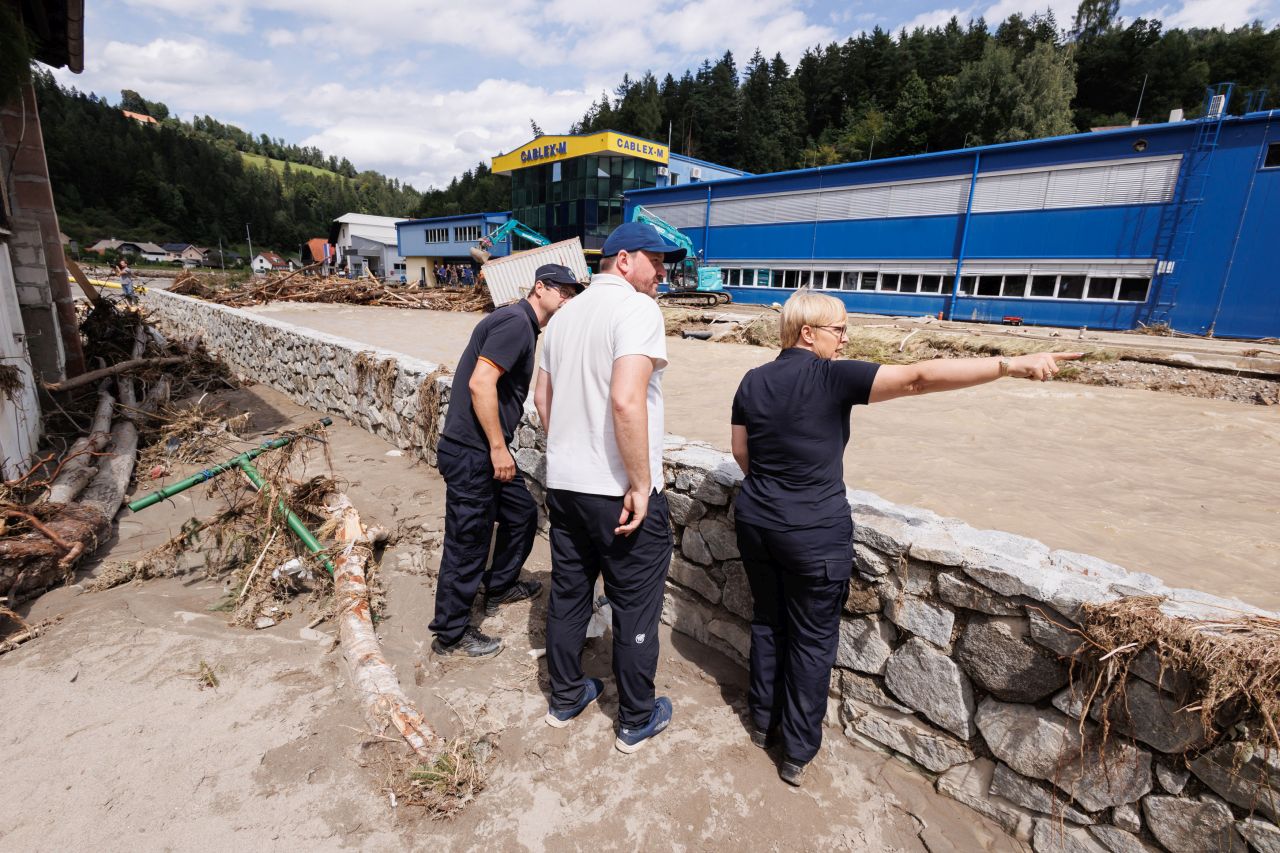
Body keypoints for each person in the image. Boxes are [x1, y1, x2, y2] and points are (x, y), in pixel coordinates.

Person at [730, 290, 1080, 786]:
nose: (847, 338)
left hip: (757, 523)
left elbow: (741, 452)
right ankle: (796, 753)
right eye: (840, 329)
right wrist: (1010, 365)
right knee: (810, 640)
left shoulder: (753, 379)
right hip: (812, 533)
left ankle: (763, 722)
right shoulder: (832, 376)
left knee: (768, 621)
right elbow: (918, 377)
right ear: (808, 333)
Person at [534, 222, 682, 754]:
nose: (663, 272)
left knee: (570, 593)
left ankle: (566, 697)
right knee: (636, 604)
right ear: (624, 260)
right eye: (657, 261)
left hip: (566, 484)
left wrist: (571, 450)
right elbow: (626, 400)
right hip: (616, 490)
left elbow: (542, 399)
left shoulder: (563, 315)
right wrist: (640, 484)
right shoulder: (638, 309)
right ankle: (636, 719)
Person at [428, 263, 585, 657]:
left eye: (573, 293)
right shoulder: (516, 323)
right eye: (562, 291)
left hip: (480, 449)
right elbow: (480, 383)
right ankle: (450, 633)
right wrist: (498, 449)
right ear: (540, 288)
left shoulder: (521, 324)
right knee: (468, 541)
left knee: (521, 515)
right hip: (473, 452)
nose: (568, 298)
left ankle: (498, 585)